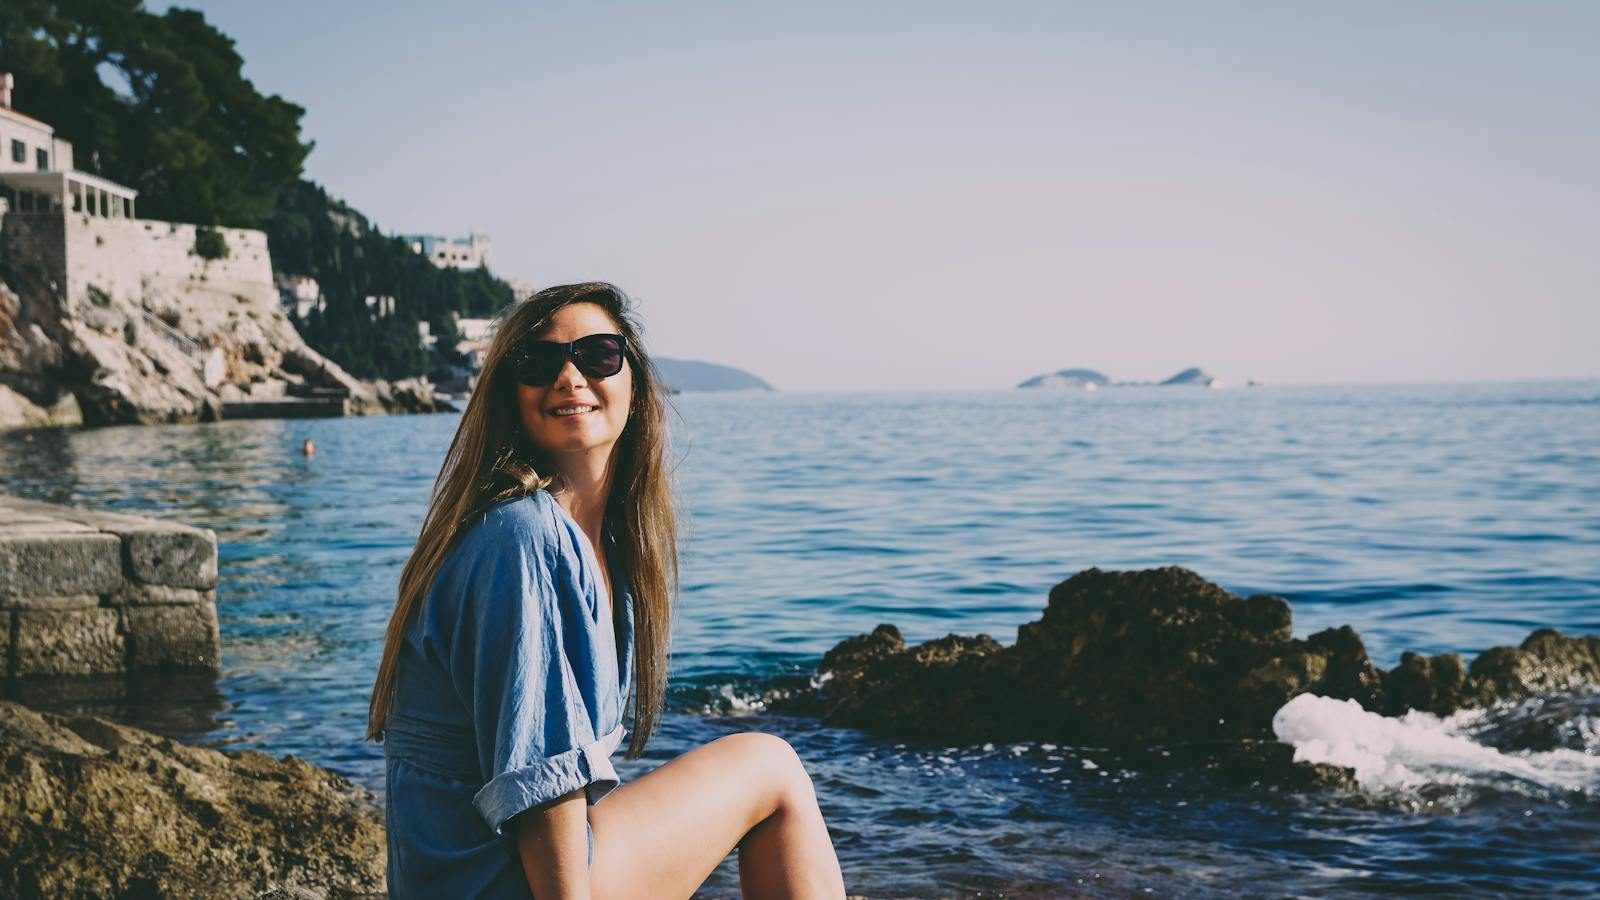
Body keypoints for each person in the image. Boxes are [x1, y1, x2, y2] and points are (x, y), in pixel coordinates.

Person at [368, 282, 847, 899]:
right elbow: (543, 786)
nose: (569, 377)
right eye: (538, 364)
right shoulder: (522, 536)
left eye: (597, 356)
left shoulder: (600, 545)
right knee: (771, 766)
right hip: (486, 881)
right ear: (510, 398)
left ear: (635, 382)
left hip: (484, 874)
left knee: (768, 767)